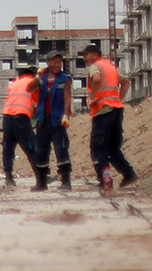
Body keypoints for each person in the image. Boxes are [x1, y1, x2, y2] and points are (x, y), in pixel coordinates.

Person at [80, 42, 136, 191]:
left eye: (87, 55)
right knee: (112, 148)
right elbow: (125, 82)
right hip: (116, 110)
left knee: (98, 147)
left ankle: (105, 180)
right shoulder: (109, 67)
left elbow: (97, 80)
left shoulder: (95, 66)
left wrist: (93, 97)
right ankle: (128, 174)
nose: (85, 58)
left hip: (103, 111)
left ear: (95, 55)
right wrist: (118, 99)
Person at [0, 65, 48, 190]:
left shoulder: (15, 83)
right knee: (31, 147)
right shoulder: (34, 83)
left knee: (8, 148)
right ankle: (41, 176)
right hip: (20, 117)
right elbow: (37, 101)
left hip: (7, 117)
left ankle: (9, 178)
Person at [35, 52, 75, 190]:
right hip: (42, 120)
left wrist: (66, 114)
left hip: (57, 121)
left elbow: (67, 97)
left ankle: (66, 182)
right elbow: (30, 89)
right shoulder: (42, 78)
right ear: (48, 63)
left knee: (61, 149)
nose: (58, 65)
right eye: (55, 62)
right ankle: (41, 183)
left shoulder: (65, 79)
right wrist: (36, 77)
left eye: (60, 62)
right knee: (41, 151)